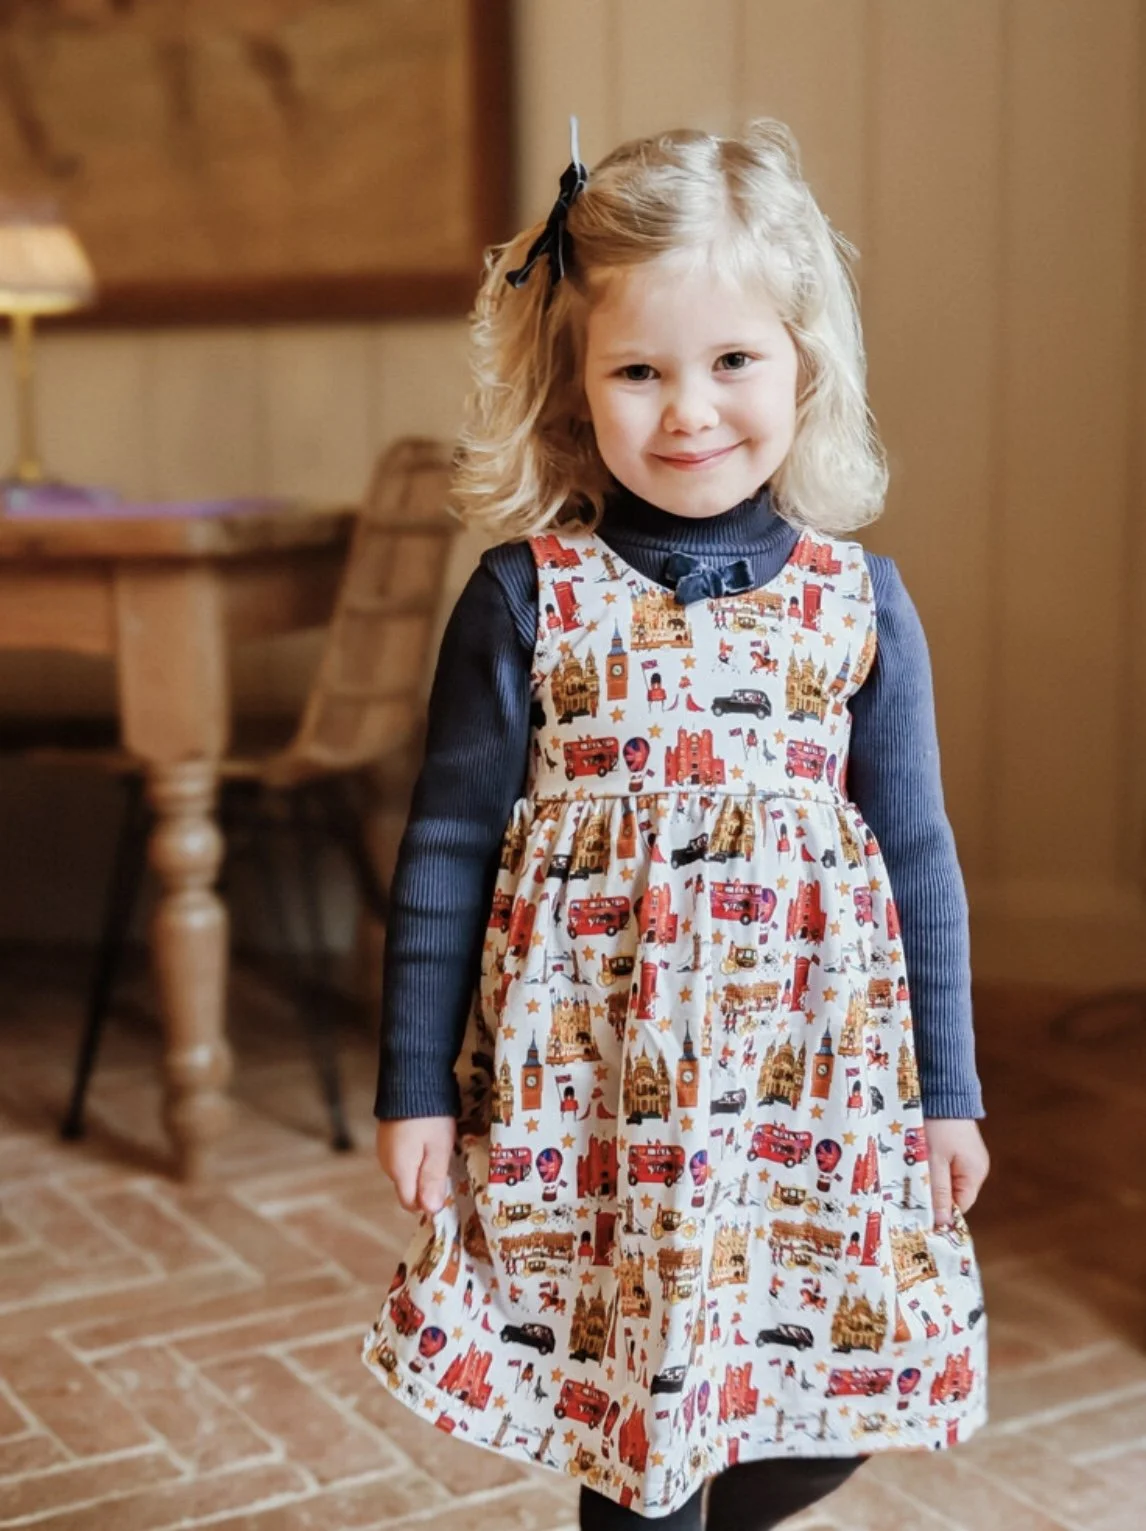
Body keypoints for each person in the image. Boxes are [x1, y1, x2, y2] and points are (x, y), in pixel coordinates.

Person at [364, 115, 990, 1528]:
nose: (689, 409)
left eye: (731, 363)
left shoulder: (854, 601)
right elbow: (447, 851)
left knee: (805, 1403)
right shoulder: (528, 595)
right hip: (594, 1087)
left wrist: (944, 1089)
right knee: (634, 1412)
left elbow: (917, 852)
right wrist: (414, 1081)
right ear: (576, 391)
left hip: (804, 1087)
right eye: (639, 370)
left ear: (801, 364)